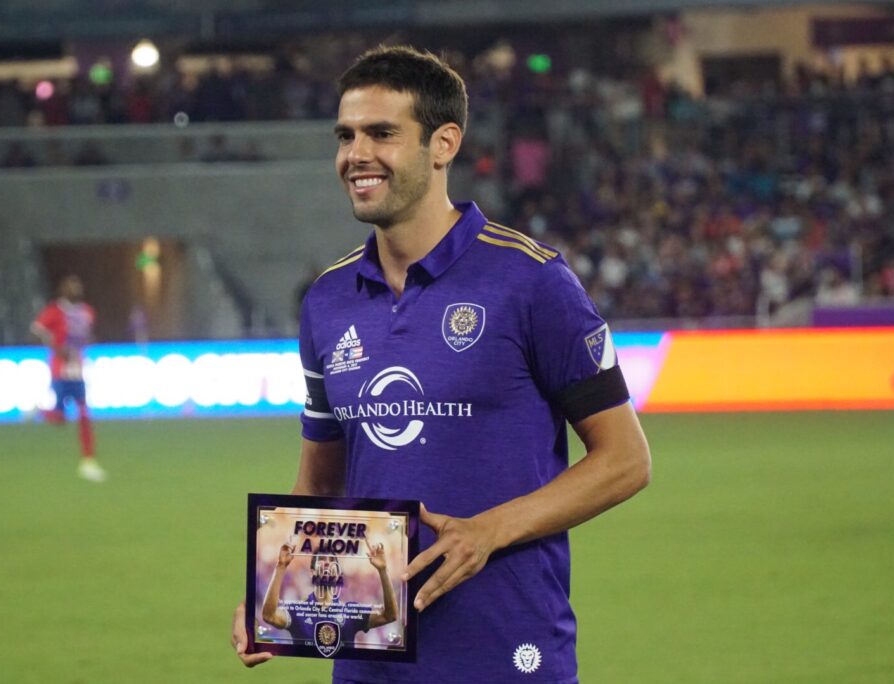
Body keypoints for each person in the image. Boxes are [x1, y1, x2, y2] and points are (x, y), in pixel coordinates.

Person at [231, 45, 651, 682]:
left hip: (507, 653)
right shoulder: (327, 301)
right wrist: (272, 589)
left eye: (382, 133)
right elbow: (319, 486)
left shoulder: (531, 281)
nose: (356, 155)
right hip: (369, 658)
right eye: (345, 136)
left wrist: (487, 531)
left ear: (443, 143)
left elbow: (626, 459)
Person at [31, 274, 106, 483]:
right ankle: (42, 410)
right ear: (63, 290)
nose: (77, 289)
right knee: (59, 419)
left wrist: (89, 340)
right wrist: (56, 347)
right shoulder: (55, 311)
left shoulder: (86, 312)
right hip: (60, 370)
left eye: (78, 285)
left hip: (78, 369)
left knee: (84, 414)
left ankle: (88, 463)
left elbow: (86, 336)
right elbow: (37, 330)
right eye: (72, 286)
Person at [260, 540, 398, 649]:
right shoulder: (297, 610)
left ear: (338, 574)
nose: (326, 563)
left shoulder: (351, 611)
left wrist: (383, 570)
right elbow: (269, 616)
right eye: (321, 559)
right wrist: (281, 566)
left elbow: (390, 615)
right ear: (312, 572)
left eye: (331, 561)